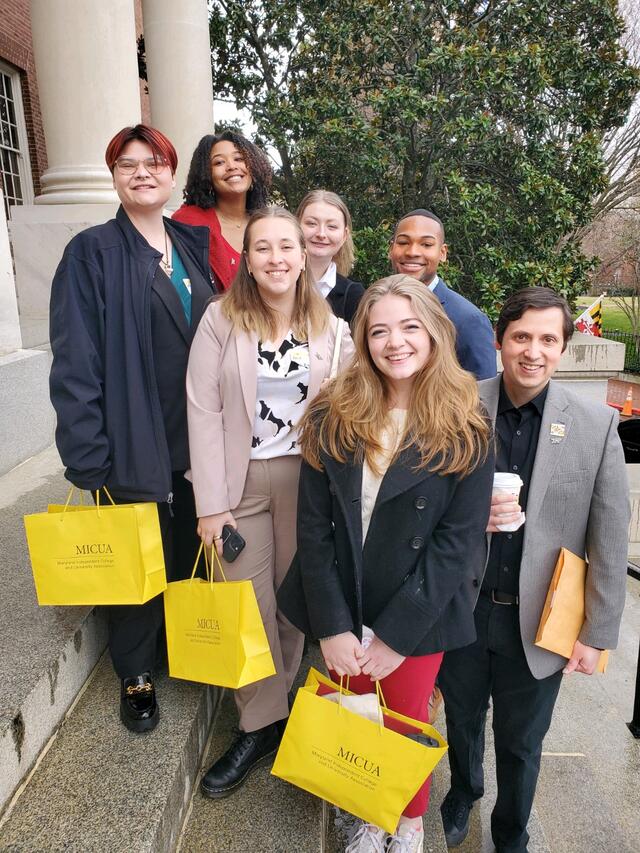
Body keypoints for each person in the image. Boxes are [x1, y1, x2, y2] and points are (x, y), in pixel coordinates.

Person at [278, 274, 495, 853]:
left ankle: (409, 824)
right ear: (363, 340)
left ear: (434, 334)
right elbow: (313, 529)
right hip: (344, 600)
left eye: (408, 327)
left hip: (418, 611)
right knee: (354, 717)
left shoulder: (467, 423)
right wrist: (330, 624)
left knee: (404, 721)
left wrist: (397, 637)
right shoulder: (335, 412)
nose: (394, 342)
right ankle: (367, 812)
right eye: (379, 331)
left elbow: (458, 542)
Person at [438, 287, 630, 853]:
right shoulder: (456, 404)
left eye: (548, 339)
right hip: (464, 609)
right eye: (521, 336)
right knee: (463, 719)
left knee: (522, 741)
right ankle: (463, 793)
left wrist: (596, 635)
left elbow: (611, 536)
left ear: (564, 348)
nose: (533, 351)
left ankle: (511, 831)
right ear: (499, 342)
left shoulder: (596, 426)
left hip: (540, 621)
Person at [49, 124, 215, 732]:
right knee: (135, 561)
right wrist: (87, 452)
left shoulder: (191, 245)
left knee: (189, 546)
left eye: (154, 162)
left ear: (172, 175)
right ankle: (137, 671)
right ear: (114, 175)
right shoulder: (92, 252)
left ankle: (185, 645)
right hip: (128, 435)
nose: (142, 172)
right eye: (128, 163)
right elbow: (75, 361)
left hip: (195, 435)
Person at [186, 206, 354, 799]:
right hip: (238, 483)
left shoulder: (332, 329)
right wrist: (211, 505)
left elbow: (353, 410)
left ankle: (279, 711)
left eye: (287, 246)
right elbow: (202, 412)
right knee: (246, 601)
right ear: (248, 260)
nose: (277, 258)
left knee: (290, 602)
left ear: (304, 254)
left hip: (307, 484)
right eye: (264, 248)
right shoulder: (220, 320)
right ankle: (258, 723)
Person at [388, 209, 496, 380]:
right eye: (403, 242)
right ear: (391, 249)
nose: (412, 252)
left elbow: (483, 396)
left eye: (426, 245)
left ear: (442, 253)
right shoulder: (377, 308)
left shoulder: (468, 320)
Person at [172, 130, 272, 290]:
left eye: (239, 159)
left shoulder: (268, 223)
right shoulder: (189, 224)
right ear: (206, 174)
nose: (232, 166)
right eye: (219, 163)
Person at [296, 189, 365, 323]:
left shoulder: (353, 296)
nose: (321, 234)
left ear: (344, 235)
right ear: (296, 226)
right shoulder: (275, 284)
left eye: (332, 226)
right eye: (311, 223)